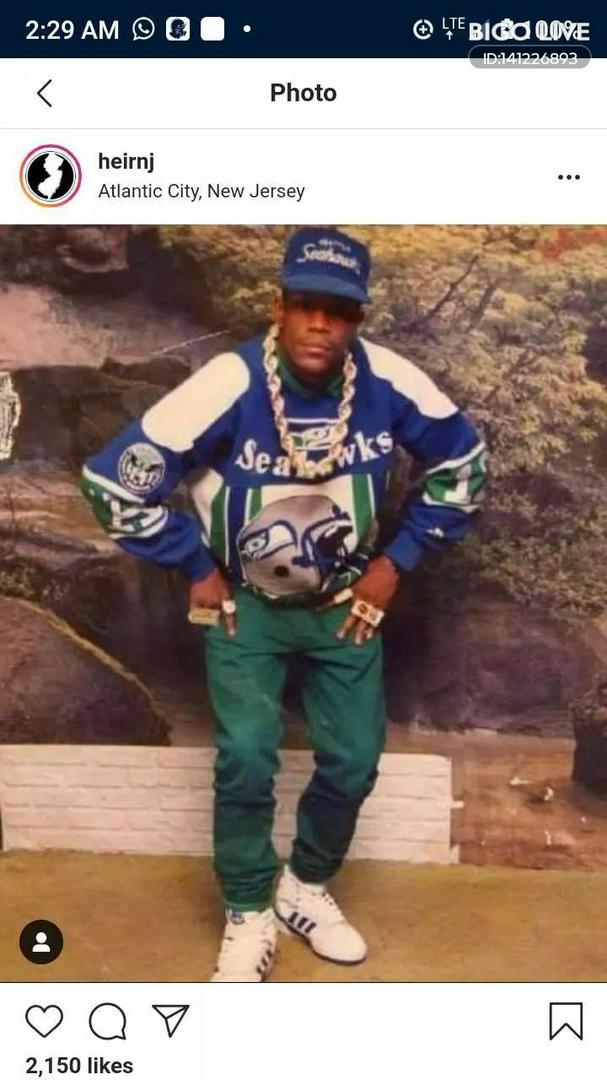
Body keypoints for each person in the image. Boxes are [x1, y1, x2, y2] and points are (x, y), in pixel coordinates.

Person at [81, 227, 487, 982]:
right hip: (246, 608)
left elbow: (463, 464)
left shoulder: (389, 381)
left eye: (339, 310)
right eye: (305, 305)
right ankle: (247, 909)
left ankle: (304, 887)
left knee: (354, 760)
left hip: (344, 605)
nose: (319, 324)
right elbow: (112, 483)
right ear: (279, 307)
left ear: (358, 318)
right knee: (244, 757)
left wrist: (395, 562)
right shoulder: (227, 384)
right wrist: (194, 564)